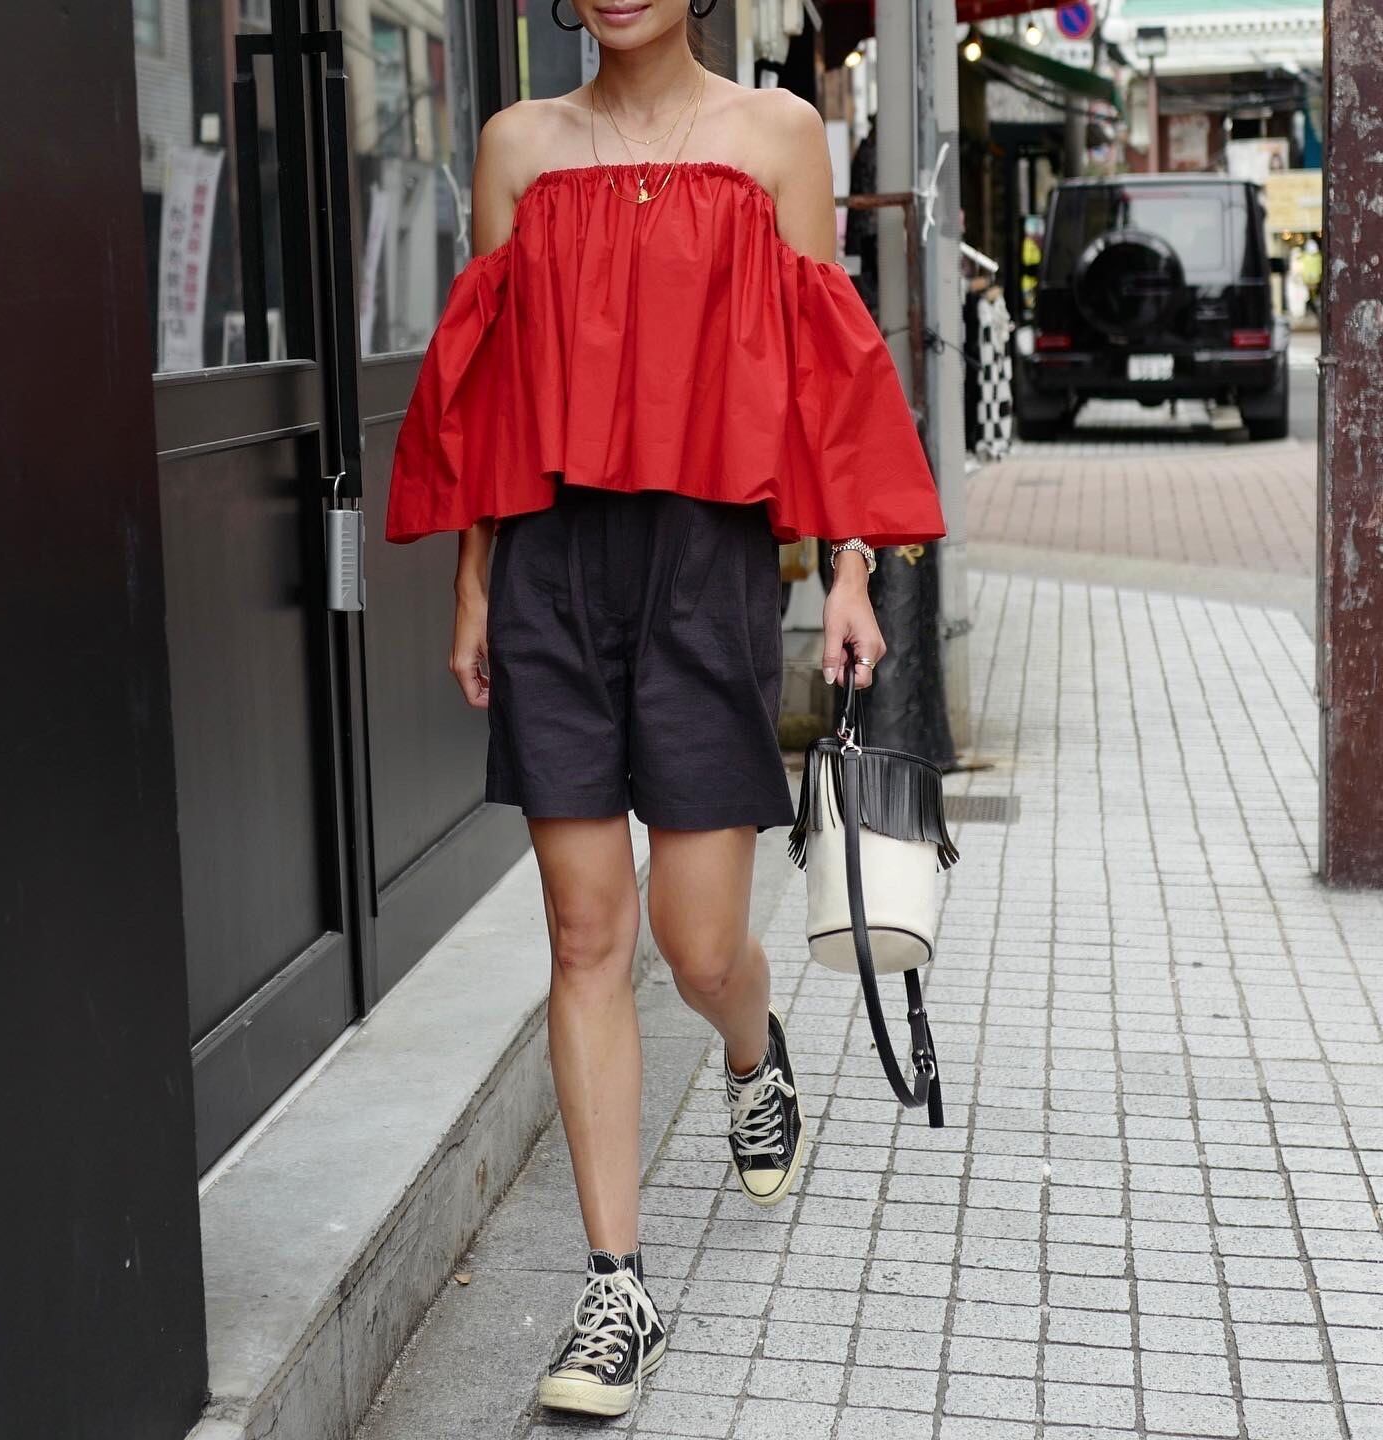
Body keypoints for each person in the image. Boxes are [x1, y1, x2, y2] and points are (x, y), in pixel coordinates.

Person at [386, 0, 944, 1417]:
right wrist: (472, 586)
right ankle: (615, 1287)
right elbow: (490, 390)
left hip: (711, 568)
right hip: (554, 571)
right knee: (587, 932)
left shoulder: (778, 137)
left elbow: (829, 373)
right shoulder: (517, 145)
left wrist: (852, 576)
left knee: (699, 947)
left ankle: (752, 1058)